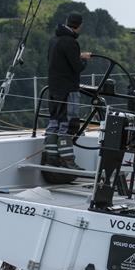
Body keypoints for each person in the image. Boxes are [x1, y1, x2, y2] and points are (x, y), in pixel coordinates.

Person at [43, 13, 91, 169]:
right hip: (68, 90)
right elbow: (77, 67)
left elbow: (58, 60)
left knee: (54, 122)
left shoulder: (54, 40)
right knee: (67, 124)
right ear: (79, 26)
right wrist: (83, 59)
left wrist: (77, 55)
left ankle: (51, 157)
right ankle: (68, 161)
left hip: (53, 88)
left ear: (66, 22)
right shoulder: (71, 42)